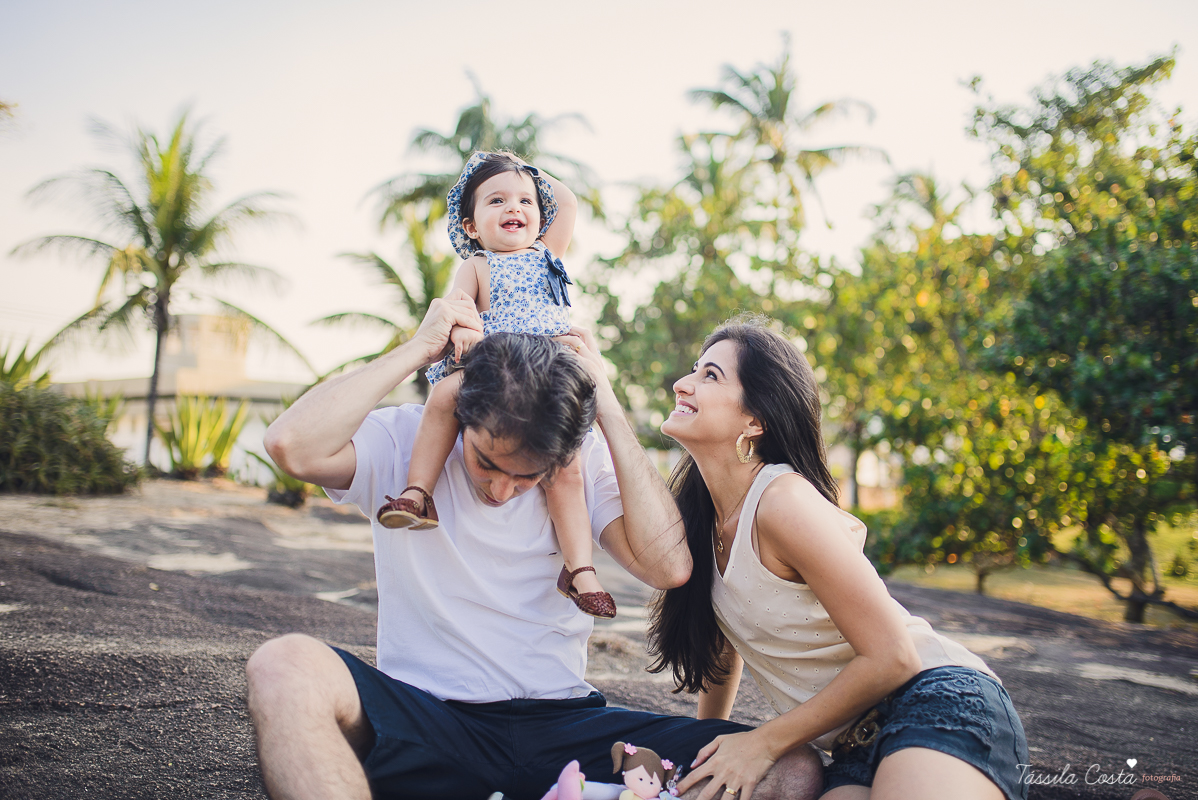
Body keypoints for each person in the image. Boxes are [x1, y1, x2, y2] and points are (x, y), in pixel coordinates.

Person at [246, 299, 823, 800]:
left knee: (790, 770)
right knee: (284, 667)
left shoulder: (582, 462)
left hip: (564, 727)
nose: (501, 489)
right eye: (486, 463)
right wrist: (419, 348)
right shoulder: (406, 440)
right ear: (459, 417)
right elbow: (290, 445)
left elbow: (669, 566)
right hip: (430, 719)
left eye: (528, 478)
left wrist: (609, 408)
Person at [649, 316, 1029, 800]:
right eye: (694, 370)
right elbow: (726, 647)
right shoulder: (703, 521)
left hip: (936, 700)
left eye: (711, 375)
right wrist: (707, 749)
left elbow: (893, 656)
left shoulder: (783, 501)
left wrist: (761, 744)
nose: (683, 383)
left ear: (755, 420)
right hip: (853, 747)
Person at [374, 151, 615, 619]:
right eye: (497, 200)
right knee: (444, 395)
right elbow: (459, 306)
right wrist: (464, 328)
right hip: (493, 364)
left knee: (565, 466)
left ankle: (579, 569)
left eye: (525, 200)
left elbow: (564, 199)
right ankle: (419, 493)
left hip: (546, 373)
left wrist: (514, 164)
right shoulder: (478, 265)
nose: (514, 208)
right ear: (469, 226)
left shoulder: (549, 253)